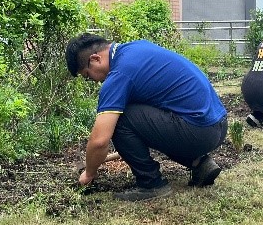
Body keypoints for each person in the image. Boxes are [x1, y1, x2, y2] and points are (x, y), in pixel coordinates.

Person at [65, 33, 228, 201]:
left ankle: (151, 183)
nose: (93, 81)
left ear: (95, 59)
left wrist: (89, 173)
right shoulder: (136, 48)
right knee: (144, 117)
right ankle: (199, 163)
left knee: (121, 119)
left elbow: (99, 141)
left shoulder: (120, 74)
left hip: (199, 132)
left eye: (87, 75)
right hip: (218, 125)